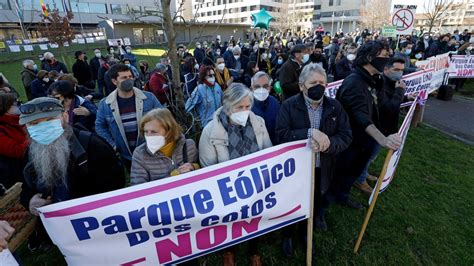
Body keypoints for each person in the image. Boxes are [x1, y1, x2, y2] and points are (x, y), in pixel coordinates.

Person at [276, 63, 352, 252]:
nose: (318, 85)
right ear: (302, 85)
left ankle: (304, 231)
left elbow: (346, 135)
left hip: (322, 167)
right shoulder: (288, 106)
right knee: (292, 202)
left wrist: (329, 144)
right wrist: (309, 133)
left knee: (314, 201)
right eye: (313, 82)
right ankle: (287, 234)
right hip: (295, 169)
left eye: (322, 82)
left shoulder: (335, 107)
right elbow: (281, 134)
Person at [198, 83, 272, 265]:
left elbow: (268, 150)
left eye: (248, 106)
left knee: (255, 218)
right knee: (229, 221)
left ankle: (254, 251)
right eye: (240, 107)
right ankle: (229, 250)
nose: (245, 111)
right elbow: (207, 166)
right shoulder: (210, 131)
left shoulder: (258, 123)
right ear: (227, 106)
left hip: (256, 184)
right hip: (227, 189)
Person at [19, 96, 125, 217]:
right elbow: (26, 187)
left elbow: (116, 185)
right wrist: (30, 200)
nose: (43, 127)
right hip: (53, 225)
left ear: (65, 116)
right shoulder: (32, 152)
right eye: (34, 123)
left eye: (49, 120)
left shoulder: (92, 145)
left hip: (93, 219)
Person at [333, 41, 402, 209]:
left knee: (352, 173)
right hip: (352, 142)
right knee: (342, 174)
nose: (388, 60)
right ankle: (327, 205)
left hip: (363, 142)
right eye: (385, 56)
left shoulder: (372, 79)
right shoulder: (354, 83)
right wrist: (382, 139)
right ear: (370, 57)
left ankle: (343, 195)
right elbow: (361, 117)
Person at [96, 64, 162, 168]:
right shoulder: (105, 104)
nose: (129, 80)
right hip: (126, 155)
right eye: (124, 78)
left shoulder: (149, 98)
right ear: (114, 81)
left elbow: (164, 118)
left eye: (130, 76)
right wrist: (112, 144)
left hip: (151, 150)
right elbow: (100, 126)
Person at [130, 108, 199, 185]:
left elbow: (204, 171)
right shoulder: (140, 154)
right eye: (146, 132)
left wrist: (193, 167)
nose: (148, 136)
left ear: (169, 131)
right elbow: (137, 188)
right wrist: (173, 176)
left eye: (153, 132)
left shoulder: (189, 145)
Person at [0, 92, 28, 190]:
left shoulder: (18, 120)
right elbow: (16, 150)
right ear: (5, 107)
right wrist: (34, 137)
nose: (18, 105)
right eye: (14, 103)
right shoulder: (3, 127)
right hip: (16, 175)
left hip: (27, 166)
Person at [250, 71, 280, 144]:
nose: (261, 90)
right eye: (257, 87)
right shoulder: (246, 106)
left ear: (270, 88)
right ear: (251, 88)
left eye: (265, 86)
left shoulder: (275, 102)